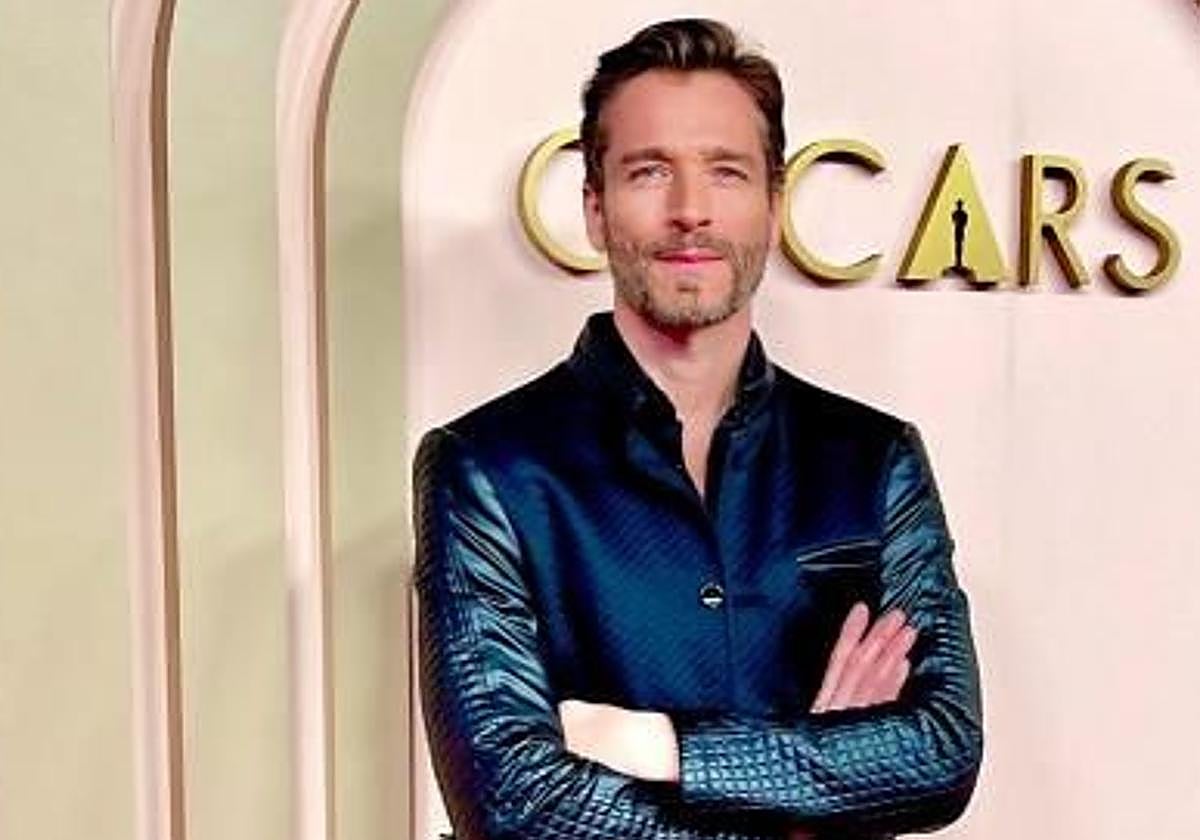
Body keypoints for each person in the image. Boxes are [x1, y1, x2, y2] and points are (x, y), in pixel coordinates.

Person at [413, 18, 982, 839]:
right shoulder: (484, 468)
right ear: (596, 209)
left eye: (725, 171)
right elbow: (514, 804)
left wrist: (659, 746)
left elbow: (942, 750)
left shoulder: (875, 457)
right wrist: (811, 807)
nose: (690, 211)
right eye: (650, 172)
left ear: (773, 205)